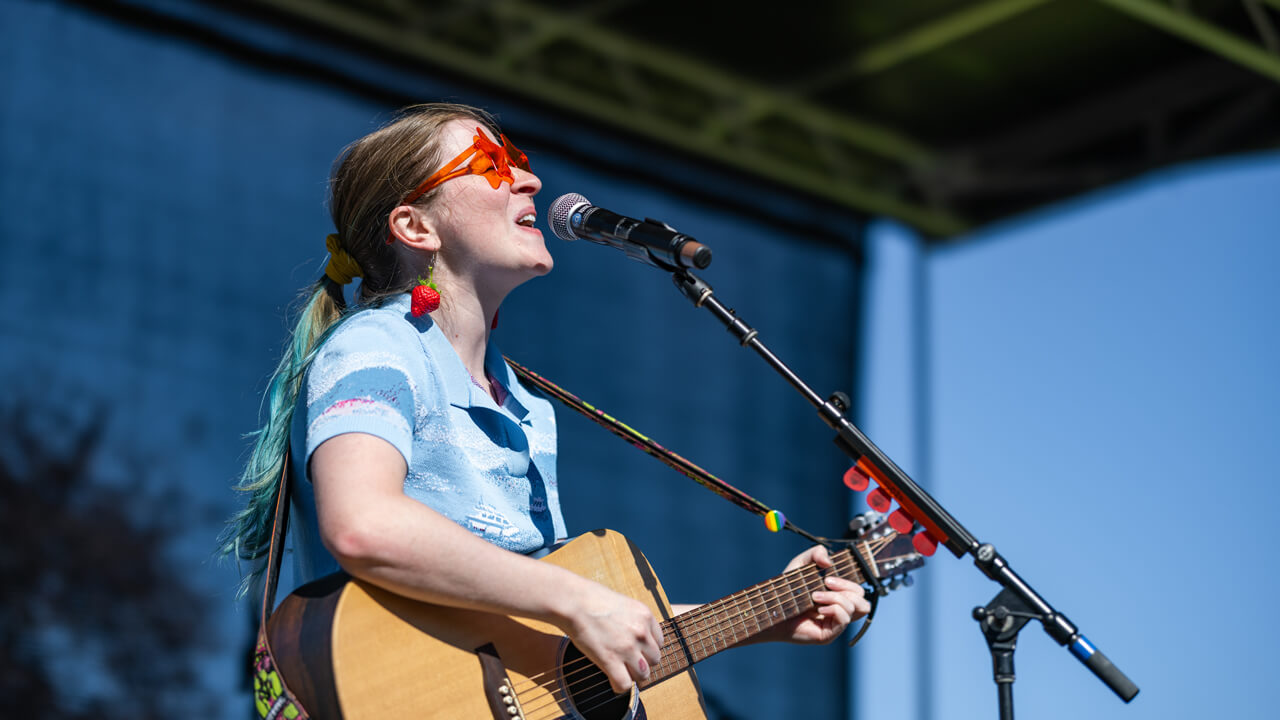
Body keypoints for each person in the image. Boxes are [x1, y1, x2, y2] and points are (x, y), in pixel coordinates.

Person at [221, 102, 869, 700]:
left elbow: (547, 628)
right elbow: (364, 524)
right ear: (415, 226)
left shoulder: (529, 409)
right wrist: (580, 601)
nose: (528, 182)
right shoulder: (379, 345)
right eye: (491, 165)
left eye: (521, 164)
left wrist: (766, 615)